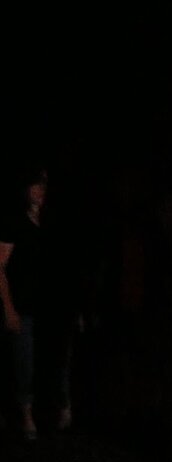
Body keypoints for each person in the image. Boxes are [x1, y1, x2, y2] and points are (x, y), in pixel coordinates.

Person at [0, 165, 74, 441]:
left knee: (52, 358)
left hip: (49, 305)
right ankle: (25, 412)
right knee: (23, 361)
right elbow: (0, 267)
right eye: (35, 185)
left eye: (44, 185)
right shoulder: (13, 222)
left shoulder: (52, 221)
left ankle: (54, 407)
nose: (40, 191)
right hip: (23, 304)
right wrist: (8, 308)